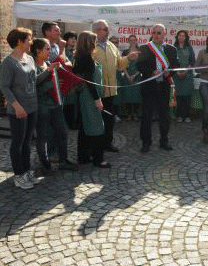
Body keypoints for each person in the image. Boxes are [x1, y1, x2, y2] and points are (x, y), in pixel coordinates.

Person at [0, 28, 40, 189]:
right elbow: (5, 87)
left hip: (32, 106)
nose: (31, 42)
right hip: (18, 109)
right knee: (18, 142)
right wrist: (16, 106)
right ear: (19, 42)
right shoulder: (8, 62)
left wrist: (49, 71)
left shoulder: (30, 59)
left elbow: (33, 80)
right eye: (29, 39)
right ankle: (18, 175)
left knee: (27, 142)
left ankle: (26, 170)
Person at [31, 38, 77, 173]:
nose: (49, 52)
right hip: (42, 106)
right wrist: (50, 84)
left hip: (55, 105)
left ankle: (63, 160)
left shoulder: (47, 63)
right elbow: (33, 86)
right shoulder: (32, 65)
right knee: (43, 136)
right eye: (47, 49)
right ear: (38, 51)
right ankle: (45, 165)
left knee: (63, 132)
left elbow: (54, 81)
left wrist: (61, 84)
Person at [92, 19, 137, 153]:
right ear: (96, 31)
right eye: (105, 29)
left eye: (107, 29)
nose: (108, 31)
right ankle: (96, 146)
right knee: (96, 121)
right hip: (97, 91)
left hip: (111, 90)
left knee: (109, 119)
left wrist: (128, 58)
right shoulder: (91, 45)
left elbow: (119, 65)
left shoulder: (111, 45)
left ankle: (107, 143)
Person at [137, 24, 179, 152]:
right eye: (154, 33)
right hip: (149, 87)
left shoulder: (171, 49)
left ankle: (164, 141)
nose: (156, 35)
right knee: (146, 116)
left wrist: (170, 73)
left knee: (164, 116)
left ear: (164, 33)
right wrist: (151, 71)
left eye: (159, 33)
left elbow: (176, 66)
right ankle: (146, 142)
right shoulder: (145, 48)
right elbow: (139, 66)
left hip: (164, 86)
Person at [72, 31, 110, 168]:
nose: (96, 43)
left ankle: (83, 156)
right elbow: (88, 81)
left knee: (85, 128)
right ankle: (98, 159)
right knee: (97, 127)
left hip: (85, 95)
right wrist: (97, 99)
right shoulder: (86, 57)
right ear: (89, 42)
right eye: (94, 41)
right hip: (89, 96)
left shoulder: (81, 56)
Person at [173, 30, 195, 123]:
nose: (181, 37)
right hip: (176, 75)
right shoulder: (173, 48)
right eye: (179, 35)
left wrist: (186, 71)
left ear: (186, 38)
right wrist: (178, 72)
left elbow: (192, 61)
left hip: (187, 75)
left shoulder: (189, 48)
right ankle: (179, 115)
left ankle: (187, 115)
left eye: (183, 36)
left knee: (187, 96)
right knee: (178, 96)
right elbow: (171, 61)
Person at [121, 34, 141, 121]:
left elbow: (142, 66)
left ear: (136, 41)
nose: (132, 41)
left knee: (136, 96)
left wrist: (135, 75)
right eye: (131, 40)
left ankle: (136, 114)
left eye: (134, 39)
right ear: (128, 41)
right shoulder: (125, 52)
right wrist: (128, 75)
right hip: (127, 76)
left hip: (137, 76)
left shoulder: (140, 51)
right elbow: (123, 65)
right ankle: (129, 114)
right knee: (128, 96)